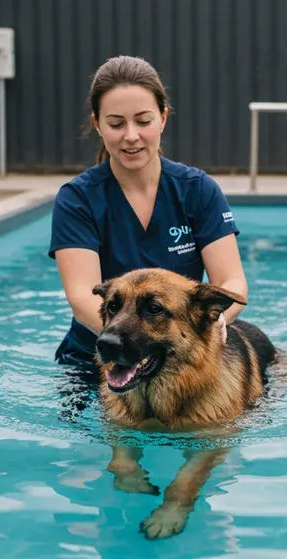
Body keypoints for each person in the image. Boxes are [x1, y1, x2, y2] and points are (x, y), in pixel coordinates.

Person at [48, 55, 249, 380]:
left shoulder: (198, 190)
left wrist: (213, 321)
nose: (131, 136)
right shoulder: (78, 199)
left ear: (163, 118)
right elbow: (82, 296)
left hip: (178, 358)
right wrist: (125, 346)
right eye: (116, 124)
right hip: (95, 358)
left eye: (143, 121)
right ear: (97, 124)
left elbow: (233, 283)